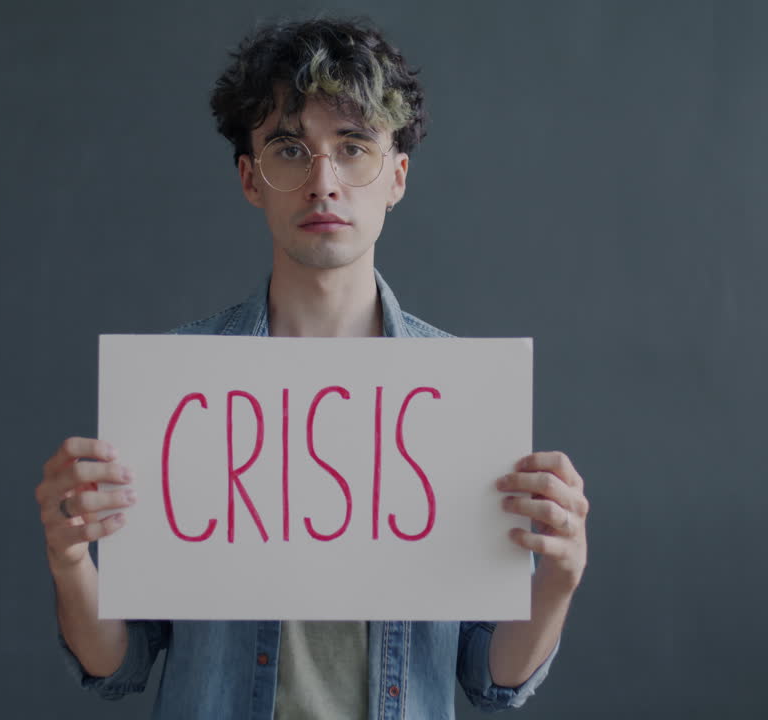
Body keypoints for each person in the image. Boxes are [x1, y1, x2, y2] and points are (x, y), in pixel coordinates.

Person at [34, 16, 590, 719]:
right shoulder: (182, 388)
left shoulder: (461, 397)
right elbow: (121, 663)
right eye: (290, 150)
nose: (323, 182)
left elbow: (488, 676)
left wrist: (558, 579)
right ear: (250, 178)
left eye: (353, 147)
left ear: (396, 176)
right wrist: (70, 562)